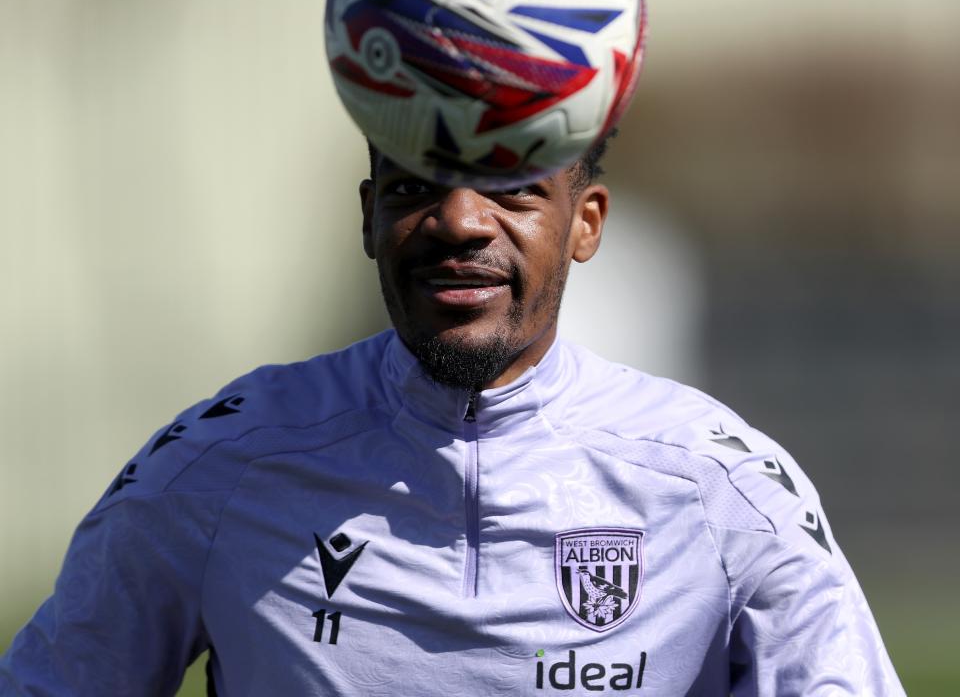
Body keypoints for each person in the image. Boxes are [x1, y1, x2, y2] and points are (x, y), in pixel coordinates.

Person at [0, 136, 904, 696]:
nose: (459, 222)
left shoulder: (720, 486)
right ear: (368, 217)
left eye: (513, 190)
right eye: (411, 189)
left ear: (586, 223)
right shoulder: (221, 463)